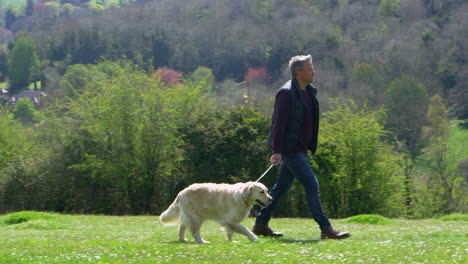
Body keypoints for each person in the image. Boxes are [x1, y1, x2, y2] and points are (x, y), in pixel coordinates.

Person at [252, 54, 350, 239]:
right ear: (298, 72)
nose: (314, 72)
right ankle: (326, 228)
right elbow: (278, 125)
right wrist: (277, 151)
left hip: (300, 148)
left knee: (280, 189)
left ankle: (261, 224)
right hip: (290, 149)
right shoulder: (286, 93)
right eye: (310, 68)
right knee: (312, 185)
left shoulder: (310, 91)